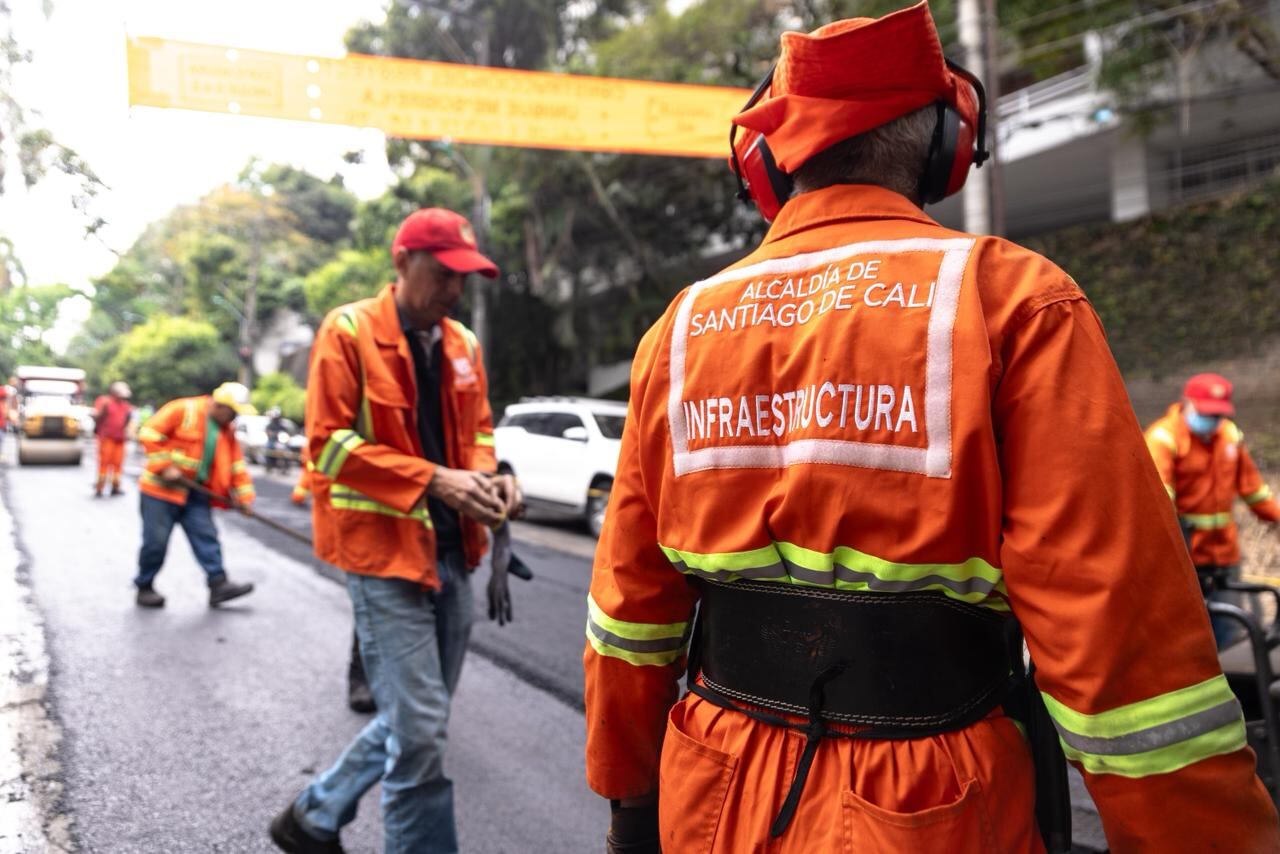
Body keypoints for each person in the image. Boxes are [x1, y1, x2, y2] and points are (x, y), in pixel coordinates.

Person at [583, 6, 1280, 852]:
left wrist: (629, 802)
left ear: (767, 162)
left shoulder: (680, 331)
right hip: (934, 803)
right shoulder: (1015, 303)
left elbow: (629, 611)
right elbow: (1123, 654)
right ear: (948, 144)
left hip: (713, 789)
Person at [271, 207, 521, 854]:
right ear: (402, 261)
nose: (453, 291)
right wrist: (435, 480)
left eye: (463, 280)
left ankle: (313, 816)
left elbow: (481, 431)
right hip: (383, 556)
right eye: (443, 274)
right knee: (420, 733)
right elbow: (326, 447)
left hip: (454, 551)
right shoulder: (348, 331)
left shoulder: (462, 342)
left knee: (419, 721)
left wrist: (491, 478)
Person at [1145, 373, 1280, 648]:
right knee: (1191, 641)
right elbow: (1159, 503)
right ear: (1187, 402)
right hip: (1186, 561)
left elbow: (1254, 490)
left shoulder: (1229, 435)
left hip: (1225, 556)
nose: (1214, 421)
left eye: (1219, 414)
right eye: (1208, 413)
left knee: (1230, 634)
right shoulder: (1163, 439)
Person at [134, 382, 258, 609]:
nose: (233, 419)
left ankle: (218, 584)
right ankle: (145, 585)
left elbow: (236, 466)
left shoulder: (225, 431)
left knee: (207, 537)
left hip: (194, 494)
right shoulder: (183, 409)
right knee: (156, 543)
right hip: (161, 492)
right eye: (233, 413)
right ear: (221, 406)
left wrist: (244, 498)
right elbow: (149, 432)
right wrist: (164, 465)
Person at [92, 380, 135, 496]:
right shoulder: (104, 402)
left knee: (118, 464)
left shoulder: (126, 406)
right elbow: (97, 416)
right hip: (107, 438)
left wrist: (130, 432)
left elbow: (128, 421)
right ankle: (100, 488)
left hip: (120, 439)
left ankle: (115, 487)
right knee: (104, 463)